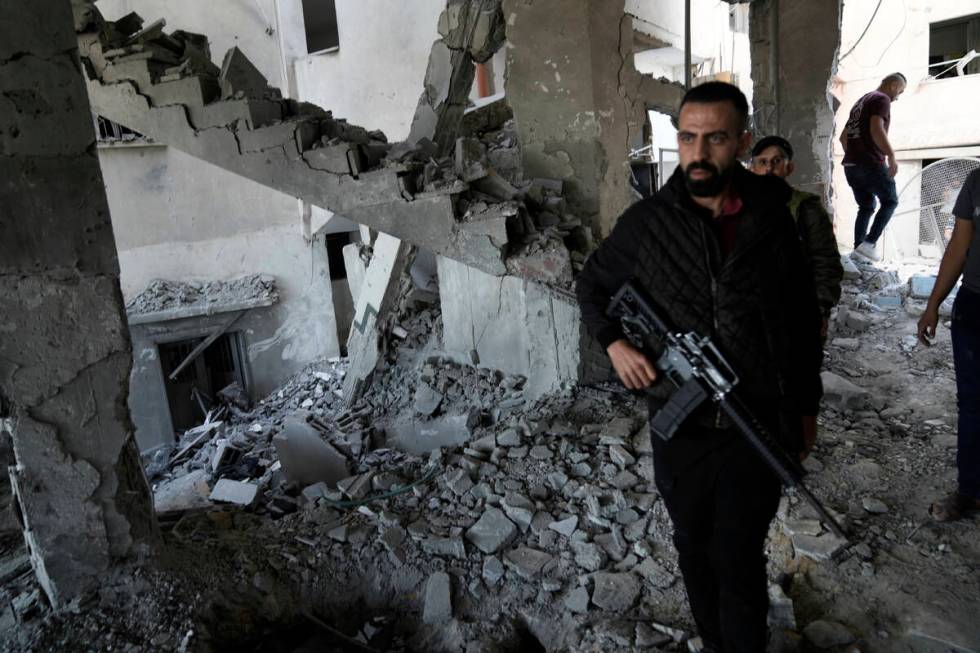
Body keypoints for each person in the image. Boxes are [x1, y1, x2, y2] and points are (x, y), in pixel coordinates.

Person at [576, 82, 823, 653]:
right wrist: (614, 343)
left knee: (737, 552)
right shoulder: (647, 223)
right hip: (679, 425)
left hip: (753, 418)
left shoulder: (773, 217)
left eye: (715, 138)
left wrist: (805, 408)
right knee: (692, 543)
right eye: (688, 137)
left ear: (741, 141)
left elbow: (800, 320)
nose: (699, 152)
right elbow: (592, 284)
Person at [917, 168, 980, 521]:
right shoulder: (976, 182)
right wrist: (933, 305)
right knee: (972, 404)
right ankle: (970, 491)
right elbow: (959, 245)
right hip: (974, 306)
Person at [750, 135, 843, 337]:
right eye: (762, 162)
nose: (768, 169)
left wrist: (820, 310)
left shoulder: (806, 208)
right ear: (752, 169)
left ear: (788, 168)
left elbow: (826, 262)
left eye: (776, 162)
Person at [839, 72, 907, 262]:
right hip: (870, 164)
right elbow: (876, 128)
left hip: (851, 166)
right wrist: (891, 156)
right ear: (893, 85)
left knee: (866, 206)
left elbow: (843, 137)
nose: (898, 97)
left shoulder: (862, 101)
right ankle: (868, 244)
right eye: (900, 91)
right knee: (890, 201)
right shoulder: (882, 99)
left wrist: (854, 155)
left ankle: (858, 253)